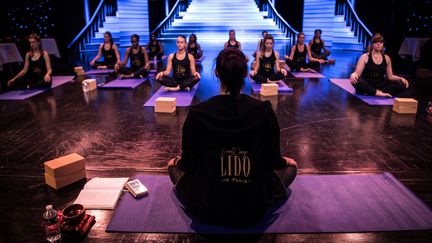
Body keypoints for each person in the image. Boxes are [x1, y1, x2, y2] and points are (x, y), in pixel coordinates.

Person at [167, 47, 298, 226]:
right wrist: (285, 163)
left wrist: (176, 163)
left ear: (216, 73)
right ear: (245, 73)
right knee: (292, 167)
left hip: (208, 206)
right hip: (253, 206)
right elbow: (273, 161)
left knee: (172, 167)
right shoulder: (264, 110)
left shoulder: (197, 114)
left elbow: (188, 164)